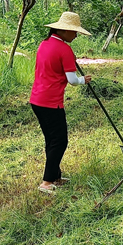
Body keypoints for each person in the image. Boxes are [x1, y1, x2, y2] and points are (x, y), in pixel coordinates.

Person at [29, 11, 92, 194]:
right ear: (63, 31)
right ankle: (47, 182)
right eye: (74, 31)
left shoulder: (44, 44)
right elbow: (72, 80)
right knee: (59, 141)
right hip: (51, 101)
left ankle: (55, 176)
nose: (76, 35)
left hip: (37, 99)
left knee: (51, 139)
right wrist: (83, 80)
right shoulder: (65, 49)